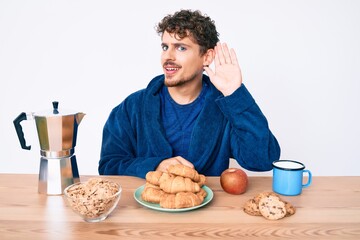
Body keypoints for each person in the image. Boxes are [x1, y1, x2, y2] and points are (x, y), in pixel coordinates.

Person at [98, 9, 280, 178]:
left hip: (208, 209)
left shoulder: (225, 107)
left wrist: (235, 94)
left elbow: (262, 160)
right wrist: (155, 166)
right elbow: (109, 166)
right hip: (147, 209)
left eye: (181, 48)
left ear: (207, 57)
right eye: (165, 47)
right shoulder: (132, 107)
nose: (168, 56)